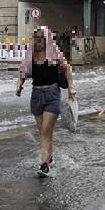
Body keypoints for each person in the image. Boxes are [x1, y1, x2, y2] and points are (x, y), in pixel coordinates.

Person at [15, 27, 76, 177]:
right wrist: (19, 86)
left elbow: (67, 68)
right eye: (36, 38)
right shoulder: (30, 55)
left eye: (42, 38)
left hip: (52, 94)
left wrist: (71, 88)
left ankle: (44, 165)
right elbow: (23, 73)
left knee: (45, 131)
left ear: (47, 39)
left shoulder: (54, 53)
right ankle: (49, 156)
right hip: (36, 95)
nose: (39, 41)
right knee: (43, 132)